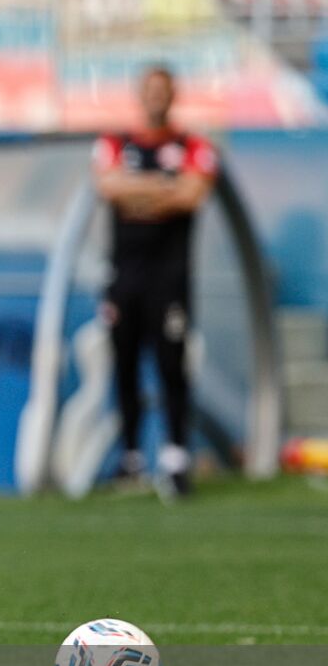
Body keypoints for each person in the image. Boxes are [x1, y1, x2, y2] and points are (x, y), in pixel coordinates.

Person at [92, 65, 217, 497]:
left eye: (163, 90)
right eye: (150, 90)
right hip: (125, 276)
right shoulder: (114, 143)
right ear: (140, 94)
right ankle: (131, 459)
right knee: (123, 363)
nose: (156, 97)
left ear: (173, 94)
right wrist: (165, 189)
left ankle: (176, 458)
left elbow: (193, 193)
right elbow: (109, 187)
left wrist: (140, 194)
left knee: (171, 364)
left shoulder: (194, 145)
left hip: (171, 278)